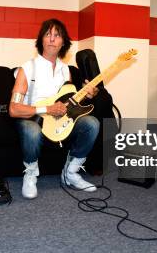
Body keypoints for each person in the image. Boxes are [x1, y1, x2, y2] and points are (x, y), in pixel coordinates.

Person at [9, 19, 100, 199]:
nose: (51, 39)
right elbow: (13, 108)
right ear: (41, 40)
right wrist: (46, 109)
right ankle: (30, 173)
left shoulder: (66, 70)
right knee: (31, 131)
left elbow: (69, 100)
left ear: (63, 42)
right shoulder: (27, 68)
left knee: (92, 123)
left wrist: (87, 94)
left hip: (61, 120)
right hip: (34, 118)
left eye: (56, 35)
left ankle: (70, 173)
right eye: (47, 34)